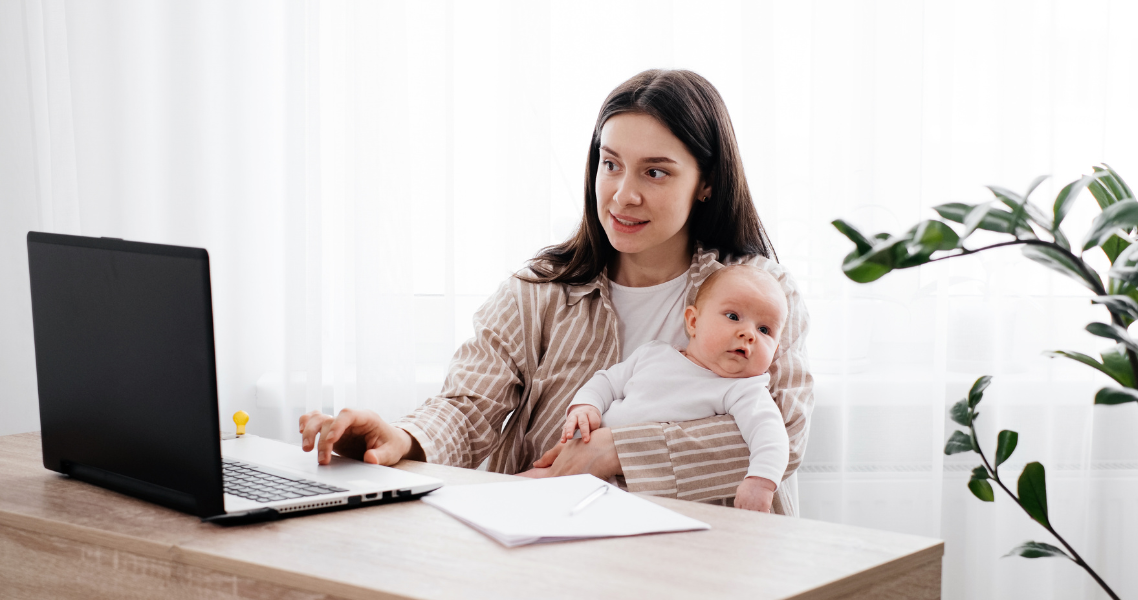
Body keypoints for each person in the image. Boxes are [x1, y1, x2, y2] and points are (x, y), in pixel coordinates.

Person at [299, 69, 815, 515]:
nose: (623, 194)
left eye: (655, 172)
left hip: (711, 555)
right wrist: (401, 438)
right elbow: (467, 407)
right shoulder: (538, 291)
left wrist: (615, 451)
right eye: (610, 164)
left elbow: (784, 434)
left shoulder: (764, 295)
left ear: (706, 182)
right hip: (555, 547)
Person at [560, 265, 790, 513]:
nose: (748, 334)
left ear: (775, 350)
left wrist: (760, 482)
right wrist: (586, 405)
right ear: (693, 322)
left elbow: (770, 434)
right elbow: (606, 381)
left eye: (764, 330)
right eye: (733, 316)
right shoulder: (653, 353)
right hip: (579, 464)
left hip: (642, 494)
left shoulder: (743, 389)